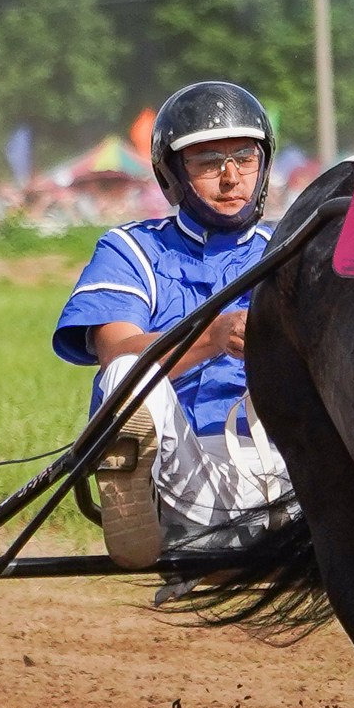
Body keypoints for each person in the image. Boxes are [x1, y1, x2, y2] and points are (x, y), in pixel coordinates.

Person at [53, 81, 293, 570]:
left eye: (244, 158)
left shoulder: (294, 248)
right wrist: (213, 338)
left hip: (291, 463)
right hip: (186, 469)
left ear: (263, 165)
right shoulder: (131, 249)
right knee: (124, 373)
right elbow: (116, 349)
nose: (231, 179)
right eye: (208, 163)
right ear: (172, 175)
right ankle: (138, 498)